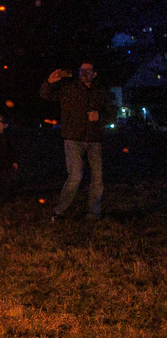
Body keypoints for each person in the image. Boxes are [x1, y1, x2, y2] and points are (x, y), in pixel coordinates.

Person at [40, 62, 111, 220]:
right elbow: (46, 95)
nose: (84, 73)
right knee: (75, 175)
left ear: (94, 74)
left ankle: (94, 213)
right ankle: (60, 212)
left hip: (94, 139)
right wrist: (49, 82)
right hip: (73, 138)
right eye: (82, 70)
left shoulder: (100, 92)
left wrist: (100, 116)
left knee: (97, 178)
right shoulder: (69, 89)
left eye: (88, 70)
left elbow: (112, 112)